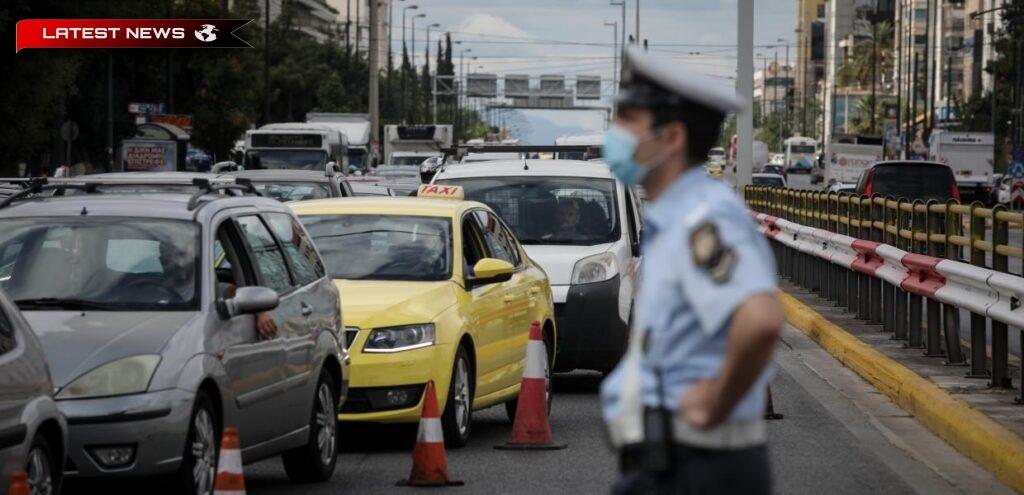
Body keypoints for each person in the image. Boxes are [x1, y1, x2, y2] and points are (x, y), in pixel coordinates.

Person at [600, 47, 783, 494]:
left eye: (629, 121)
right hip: (667, 463)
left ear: (672, 138)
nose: (616, 133)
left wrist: (713, 403)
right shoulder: (674, 216)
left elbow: (760, 320)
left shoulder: (702, 219)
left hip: (698, 466)